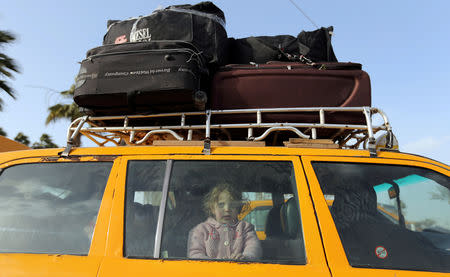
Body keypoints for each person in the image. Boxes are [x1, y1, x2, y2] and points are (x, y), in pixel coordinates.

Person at [187, 183, 262, 260]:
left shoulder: (245, 228)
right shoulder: (201, 230)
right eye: (221, 205)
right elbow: (194, 253)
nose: (227, 209)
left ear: (238, 209)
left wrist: (246, 257)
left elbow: (253, 247)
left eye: (232, 205)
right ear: (212, 208)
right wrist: (211, 264)